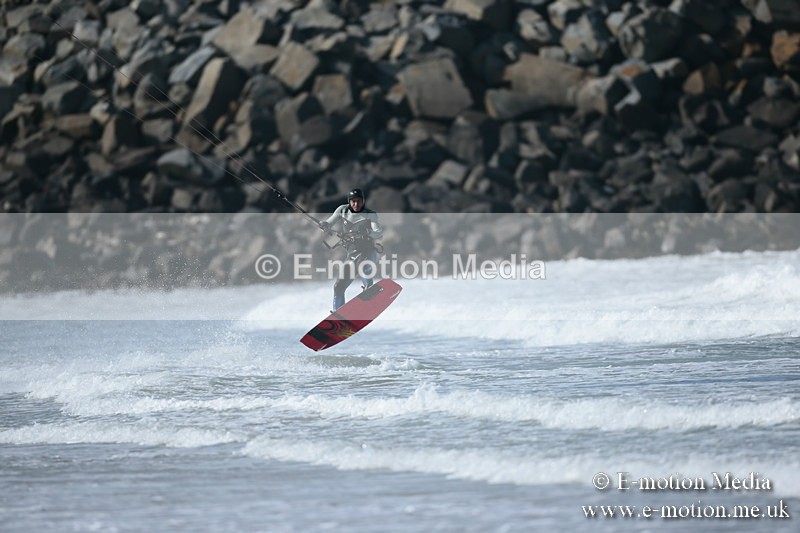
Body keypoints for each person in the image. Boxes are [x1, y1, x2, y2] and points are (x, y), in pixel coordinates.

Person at [319, 188, 383, 311]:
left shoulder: (370, 214)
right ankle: (338, 316)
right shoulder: (342, 210)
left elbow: (378, 233)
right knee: (338, 286)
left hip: (368, 252)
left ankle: (369, 290)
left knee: (364, 266)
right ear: (349, 202)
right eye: (353, 201)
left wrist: (365, 233)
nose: (356, 204)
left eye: (359, 201)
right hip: (352, 255)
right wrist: (325, 225)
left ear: (363, 201)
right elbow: (329, 222)